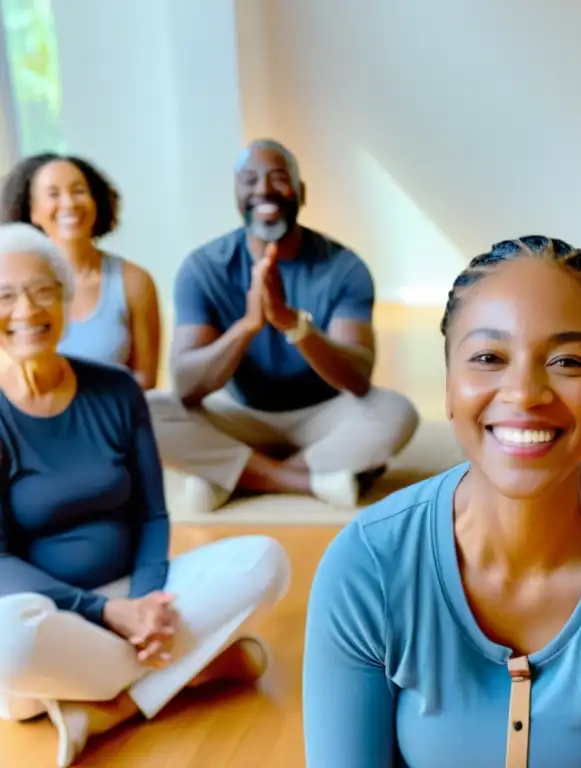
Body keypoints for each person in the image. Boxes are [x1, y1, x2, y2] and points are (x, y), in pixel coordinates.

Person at [303, 236, 581, 768]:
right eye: (488, 357)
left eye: (567, 361)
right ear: (449, 384)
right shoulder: (366, 566)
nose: (525, 392)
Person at [0, 223, 291, 768]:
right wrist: (107, 612)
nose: (25, 310)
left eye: (42, 290)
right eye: (5, 295)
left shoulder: (115, 388)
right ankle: (194, 667)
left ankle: (104, 709)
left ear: (64, 299)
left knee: (265, 560)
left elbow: (153, 513)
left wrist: (145, 602)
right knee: (6, 642)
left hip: (137, 595)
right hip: (49, 611)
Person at [147, 139, 419, 512]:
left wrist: (291, 323)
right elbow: (187, 387)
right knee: (143, 411)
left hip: (323, 415)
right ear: (236, 194)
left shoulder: (344, 267)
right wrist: (247, 326)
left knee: (395, 413)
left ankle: (235, 477)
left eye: (278, 178)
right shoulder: (203, 268)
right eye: (250, 180)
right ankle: (307, 480)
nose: (264, 190)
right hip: (237, 412)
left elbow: (357, 379)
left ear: (300, 192)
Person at [0, 153, 161, 389]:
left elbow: (145, 382)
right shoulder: (9, 290)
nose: (69, 203)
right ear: (31, 210)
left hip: (112, 421)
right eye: (53, 194)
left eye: (79, 191)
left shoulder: (134, 281)